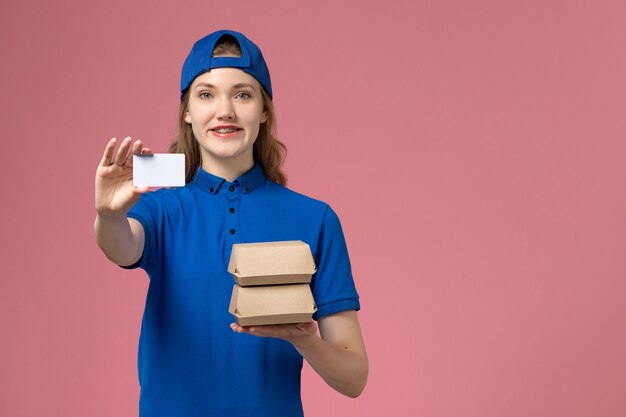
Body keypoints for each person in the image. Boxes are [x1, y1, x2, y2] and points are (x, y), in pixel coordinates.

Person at [94, 29, 368, 417]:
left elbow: (353, 376)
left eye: (243, 94)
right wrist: (109, 214)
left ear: (264, 111)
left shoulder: (314, 218)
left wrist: (303, 340)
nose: (225, 110)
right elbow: (120, 244)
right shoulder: (161, 209)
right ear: (187, 112)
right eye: (206, 94)